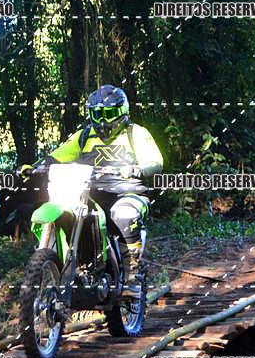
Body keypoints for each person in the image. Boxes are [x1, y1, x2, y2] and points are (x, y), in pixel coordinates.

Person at [21, 84, 163, 294]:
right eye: (97, 114)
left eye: (109, 114)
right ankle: (69, 267)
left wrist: (138, 169)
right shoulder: (84, 135)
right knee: (69, 212)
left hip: (128, 192)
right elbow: (59, 155)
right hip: (89, 192)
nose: (103, 121)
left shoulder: (136, 133)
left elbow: (155, 161)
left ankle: (132, 271)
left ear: (122, 112)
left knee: (123, 214)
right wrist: (35, 167)